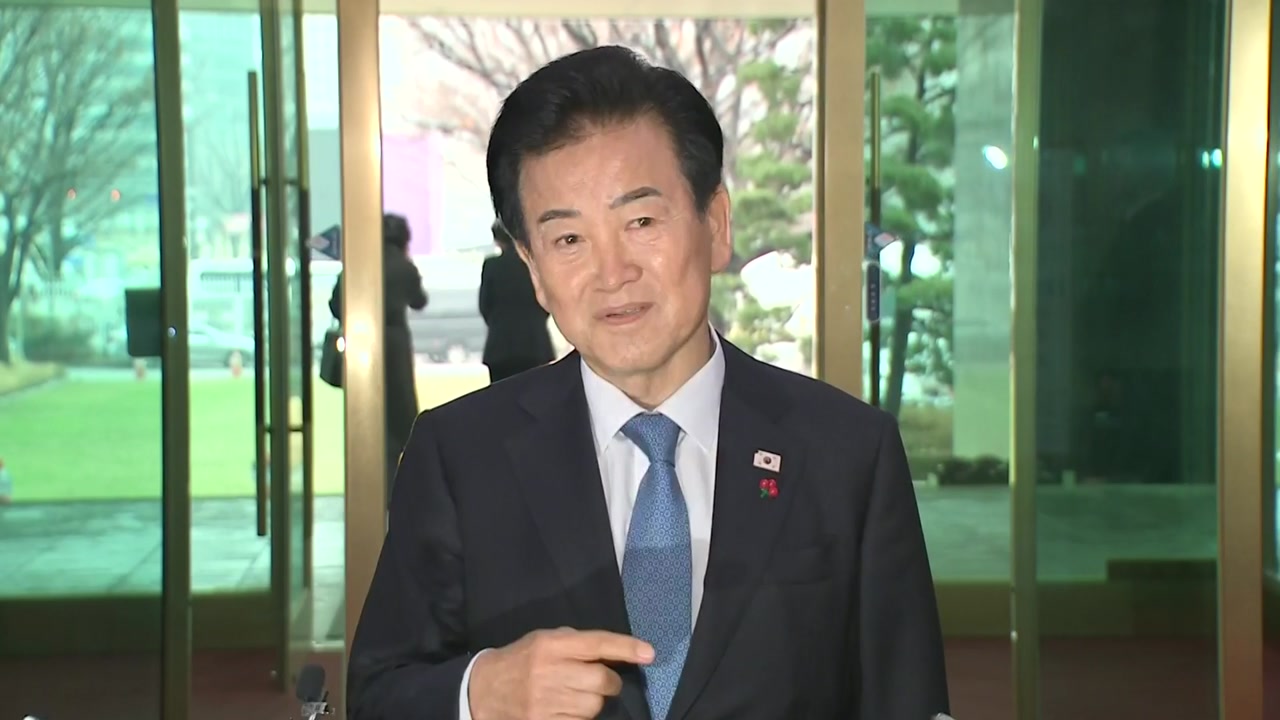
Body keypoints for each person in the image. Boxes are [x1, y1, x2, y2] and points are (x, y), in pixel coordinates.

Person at [348, 46, 948, 720]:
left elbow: (905, 697)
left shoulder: (848, 452)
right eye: (568, 240)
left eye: (640, 222)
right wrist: (480, 691)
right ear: (534, 269)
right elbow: (377, 695)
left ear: (715, 225)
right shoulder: (459, 456)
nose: (612, 273)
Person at [329, 213, 428, 496]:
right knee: (400, 412)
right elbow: (419, 301)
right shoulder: (404, 267)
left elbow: (336, 304)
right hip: (395, 343)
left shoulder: (360, 263)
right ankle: (395, 486)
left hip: (363, 342)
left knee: (368, 410)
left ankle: (370, 484)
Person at [478, 220, 555, 382]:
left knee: (503, 395)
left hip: (500, 346)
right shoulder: (535, 264)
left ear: (497, 240)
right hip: (535, 343)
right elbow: (547, 302)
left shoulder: (492, 266)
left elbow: (485, 305)